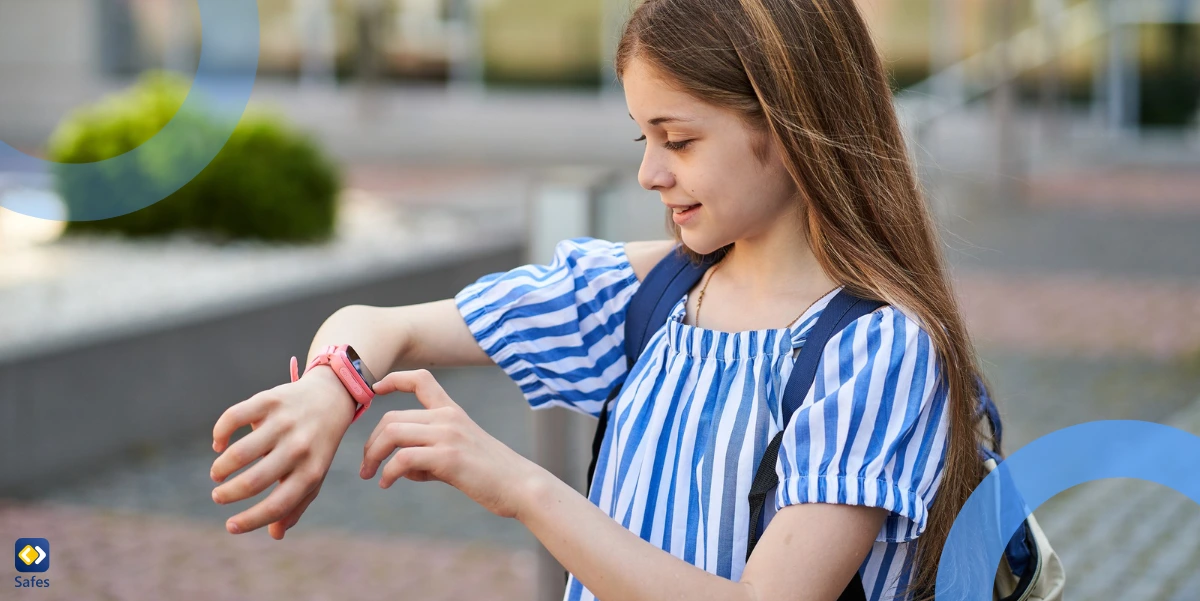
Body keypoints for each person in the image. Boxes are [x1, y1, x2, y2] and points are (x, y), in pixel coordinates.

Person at [209, 0, 997, 599]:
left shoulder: (879, 348)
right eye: (641, 139)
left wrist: (520, 487)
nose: (652, 173)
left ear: (789, 126)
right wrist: (329, 388)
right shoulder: (642, 292)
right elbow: (385, 327)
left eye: (678, 140)